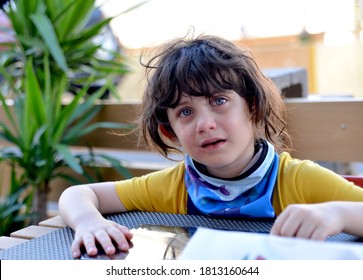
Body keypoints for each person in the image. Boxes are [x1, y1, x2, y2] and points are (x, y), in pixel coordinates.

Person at [59, 34, 363, 258]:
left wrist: (336, 213)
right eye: (185, 112)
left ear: (252, 107)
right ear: (171, 132)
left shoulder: (298, 180)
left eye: (219, 101)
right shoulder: (174, 186)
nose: (204, 124)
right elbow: (78, 193)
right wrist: (88, 223)